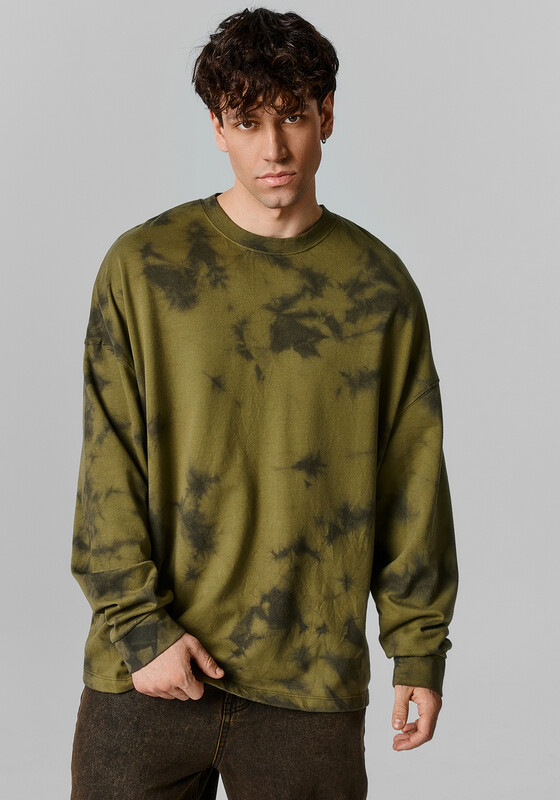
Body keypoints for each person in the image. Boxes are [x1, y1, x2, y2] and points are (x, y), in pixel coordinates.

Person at [70, 7, 459, 799]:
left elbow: (412, 483)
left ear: (327, 116)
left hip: (307, 679)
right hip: (147, 673)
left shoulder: (379, 289)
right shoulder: (145, 269)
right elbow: (107, 467)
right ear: (218, 129)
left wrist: (418, 647)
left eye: (292, 116)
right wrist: (141, 630)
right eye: (248, 122)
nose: (273, 148)